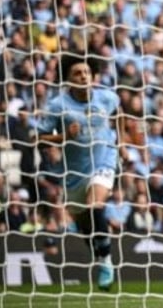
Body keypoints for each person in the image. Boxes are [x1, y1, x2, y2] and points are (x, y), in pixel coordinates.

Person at [37, 55, 122, 290]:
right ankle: (100, 252)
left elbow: (120, 112)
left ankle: (105, 261)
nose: (83, 76)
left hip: (104, 158)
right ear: (68, 79)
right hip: (74, 172)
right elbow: (38, 140)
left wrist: (121, 143)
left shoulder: (106, 97)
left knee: (95, 204)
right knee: (85, 224)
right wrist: (64, 136)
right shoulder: (58, 106)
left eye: (86, 72)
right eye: (77, 73)